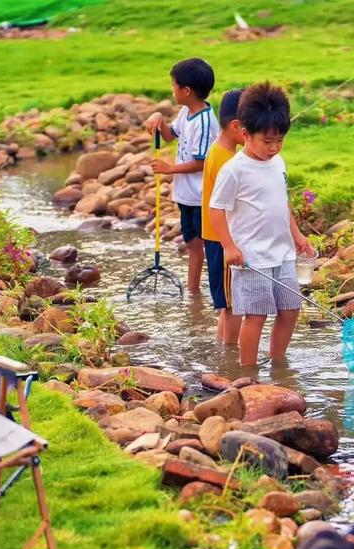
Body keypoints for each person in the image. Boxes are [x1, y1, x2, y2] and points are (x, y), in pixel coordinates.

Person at [209, 82, 314, 367]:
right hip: (251, 257)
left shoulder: (278, 162)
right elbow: (216, 209)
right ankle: (248, 370)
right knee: (256, 315)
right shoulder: (234, 169)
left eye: (279, 140)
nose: (274, 147)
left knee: (291, 308)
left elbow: (282, 203)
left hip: (282, 253)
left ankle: (278, 362)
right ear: (244, 134)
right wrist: (229, 246)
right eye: (267, 141)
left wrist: (297, 235)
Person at [145, 57, 219, 294]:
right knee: (192, 244)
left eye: (173, 86)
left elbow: (202, 162)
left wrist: (169, 169)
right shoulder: (186, 111)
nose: (172, 90)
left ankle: (218, 288)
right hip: (185, 195)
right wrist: (158, 117)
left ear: (186, 90)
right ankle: (193, 293)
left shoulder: (206, 121)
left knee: (207, 245)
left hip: (200, 195)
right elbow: (170, 135)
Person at [201, 89, 245, 344]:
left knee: (225, 304)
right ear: (236, 126)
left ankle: (222, 349)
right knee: (231, 305)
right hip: (222, 239)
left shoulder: (220, 150)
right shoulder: (227, 161)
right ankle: (229, 356)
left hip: (216, 238)